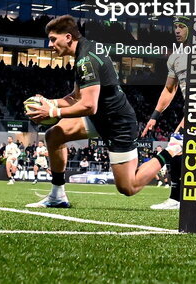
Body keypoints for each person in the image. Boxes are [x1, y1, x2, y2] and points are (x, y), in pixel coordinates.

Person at [25, 15, 179, 209]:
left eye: (53, 39)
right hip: (99, 118)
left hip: (118, 125)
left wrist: (53, 111)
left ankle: (172, 150)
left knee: (128, 187)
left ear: (68, 37)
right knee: (54, 135)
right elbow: (76, 97)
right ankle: (57, 196)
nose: (50, 44)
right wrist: (48, 102)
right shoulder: (85, 51)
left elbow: (89, 106)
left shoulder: (85, 60)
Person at [140, 14, 196, 210]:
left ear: (191, 29)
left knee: (176, 144)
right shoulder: (174, 57)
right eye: (175, 26)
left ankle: (176, 198)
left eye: (181, 26)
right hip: (190, 106)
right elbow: (169, 90)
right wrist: (154, 116)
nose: (177, 30)